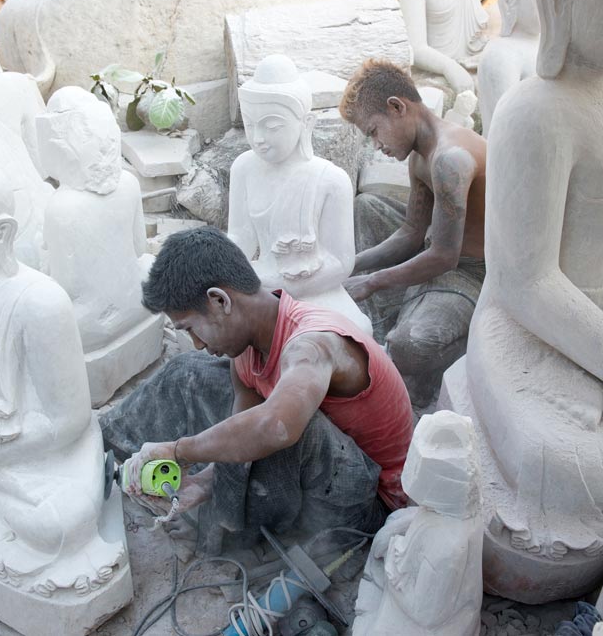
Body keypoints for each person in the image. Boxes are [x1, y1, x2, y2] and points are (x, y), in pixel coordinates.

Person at [100, 227, 414, 554]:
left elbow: (274, 428)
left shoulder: (313, 344)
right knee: (189, 372)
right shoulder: (248, 346)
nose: (197, 343)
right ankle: (105, 446)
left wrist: (180, 451)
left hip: (367, 504)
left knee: (285, 426)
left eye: (190, 328)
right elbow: (241, 433)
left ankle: (240, 541)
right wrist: (203, 485)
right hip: (322, 473)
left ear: (219, 301)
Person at [339, 59, 487, 407]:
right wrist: (348, 266)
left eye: (373, 131)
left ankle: (413, 349)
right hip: (435, 250)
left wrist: (372, 281)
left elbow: (444, 257)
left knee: (410, 344)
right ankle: (391, 320)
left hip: (471, 273)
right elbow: (411, 232)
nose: (376, 145)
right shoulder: (420, 156)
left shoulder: (450, 159)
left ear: (397, 107)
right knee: (368, 206)